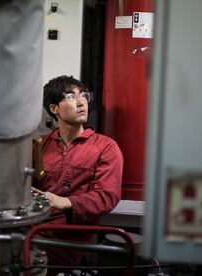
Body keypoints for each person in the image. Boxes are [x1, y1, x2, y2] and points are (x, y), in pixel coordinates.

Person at [32, 75, 123, 269]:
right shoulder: (40, 145)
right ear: (54, 109)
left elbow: (107, 196)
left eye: (83, 96)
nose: (82, 102)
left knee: (21, 260)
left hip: (68, 237)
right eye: (71, 97)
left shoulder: (105, 147)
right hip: (32, 228)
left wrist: (65, 202)